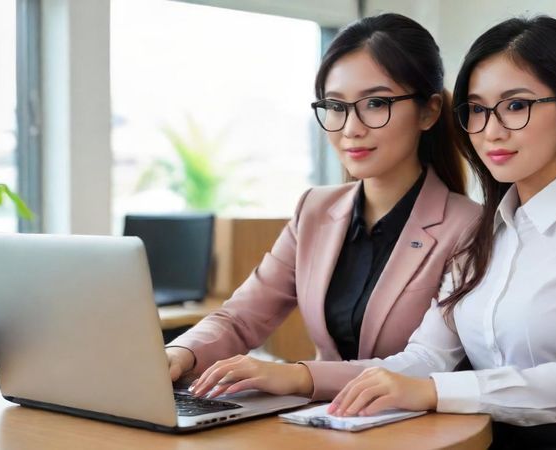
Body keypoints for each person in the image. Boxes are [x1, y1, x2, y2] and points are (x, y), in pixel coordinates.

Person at [202, 15, 556, 449]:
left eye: (515, 106)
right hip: (485, 439)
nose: (491, 131)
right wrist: (300, 377)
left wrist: (433, 392)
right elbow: (424, 357)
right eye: (477, 111)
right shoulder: (486, 233)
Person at [167, 13, 480, 401]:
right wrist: (180, 353)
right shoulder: (314, 209)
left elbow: (429, 362)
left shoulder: (468, 227)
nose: (351, 127)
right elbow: (243, 316)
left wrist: (299, 376)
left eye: (375, 103)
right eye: (336, 106)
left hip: (416, 431)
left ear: (429, 111)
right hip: (321, 424)